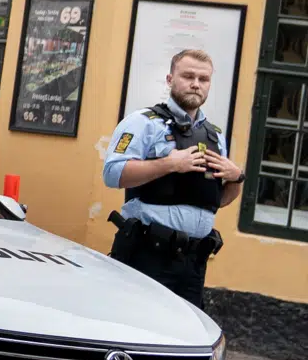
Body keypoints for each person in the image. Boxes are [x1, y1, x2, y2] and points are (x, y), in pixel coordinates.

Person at [102, 49, 245, 308]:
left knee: (185, 337)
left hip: (194, 260)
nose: (196, 84)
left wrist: (237, 178)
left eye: (204, 79)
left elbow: (216, 201)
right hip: (149, 254)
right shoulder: (143, 123)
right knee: (140, 326)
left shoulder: (214, 136)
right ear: (170, 80)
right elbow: (112, 175)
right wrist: (169, 164)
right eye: (188, 76)